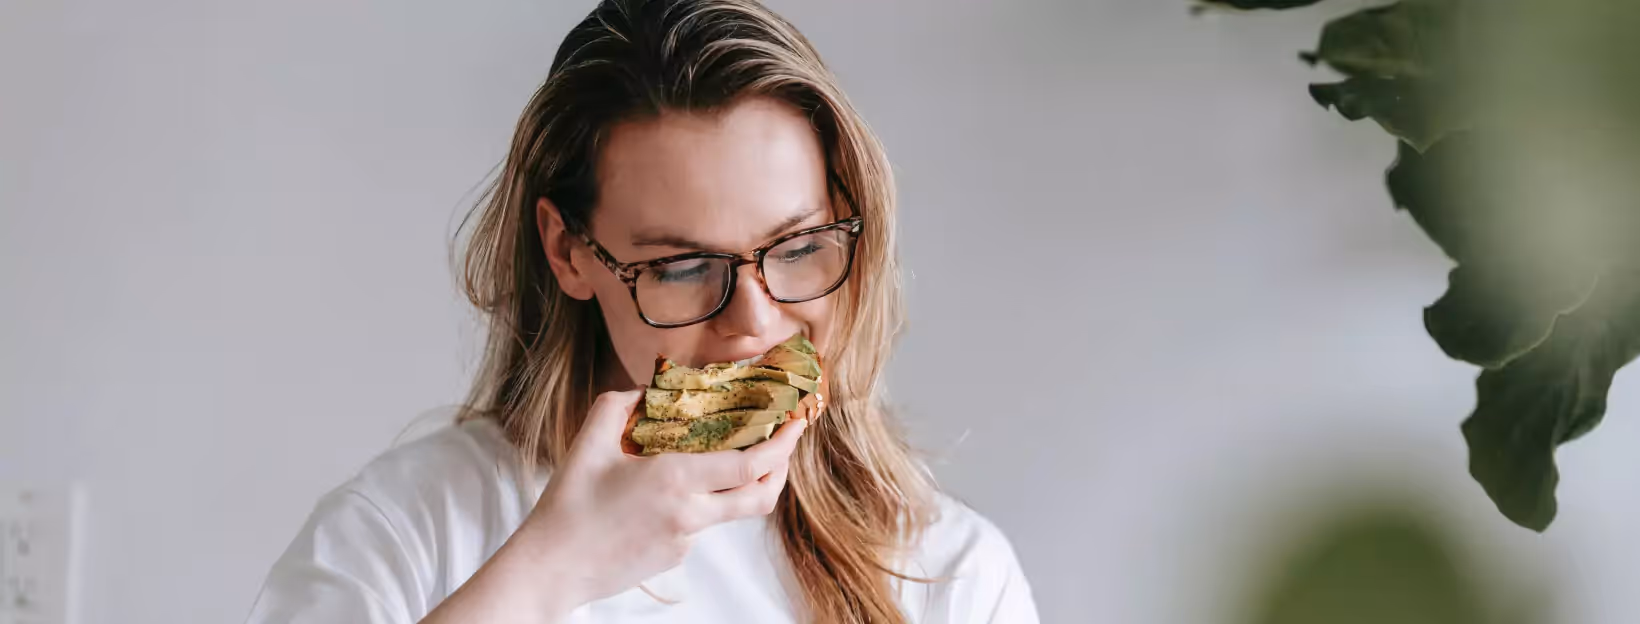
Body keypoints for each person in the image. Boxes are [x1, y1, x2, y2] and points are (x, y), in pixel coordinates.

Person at [246, 0, 1038, 622]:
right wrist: (554, 568)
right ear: (569, 252)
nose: (755, 324)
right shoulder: (404, 535)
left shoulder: (948, 572)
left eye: (798, 249)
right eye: (684, 267)